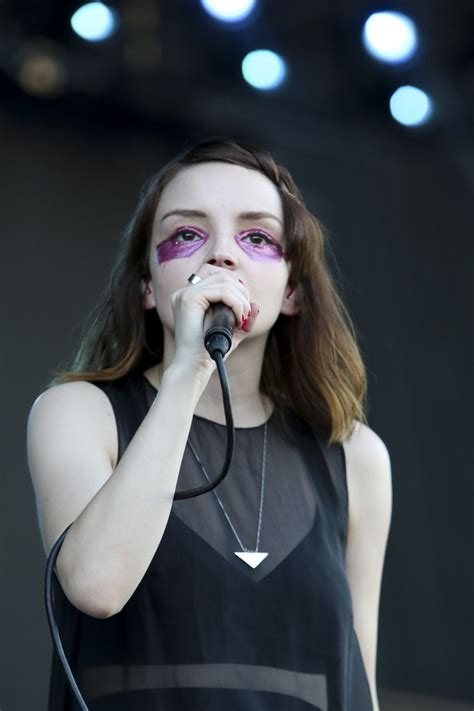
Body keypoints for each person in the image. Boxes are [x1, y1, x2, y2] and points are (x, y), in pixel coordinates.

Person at [27, 136, 392, 711]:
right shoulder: (79, 411)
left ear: (292, 290)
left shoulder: (354, 455)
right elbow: (96, 586)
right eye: (186, 235)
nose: (222, 256)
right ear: (149, 287)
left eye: (257, 238)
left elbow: (356, 679)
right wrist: (189, 369)